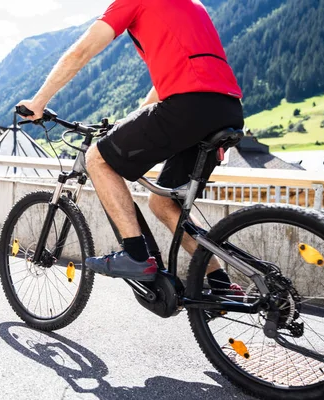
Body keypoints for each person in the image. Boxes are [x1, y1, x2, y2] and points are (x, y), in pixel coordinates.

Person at [17, 0, 244, 290]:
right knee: (163, 203)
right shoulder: (193, 6)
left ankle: (137, 255)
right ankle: (219, 282)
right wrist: (129, 122)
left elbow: (80, 52)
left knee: (97, 158)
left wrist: (38, 102)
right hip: (227, 109)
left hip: (189, 106)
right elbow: (168, 83)